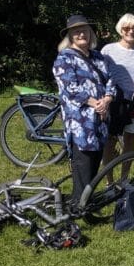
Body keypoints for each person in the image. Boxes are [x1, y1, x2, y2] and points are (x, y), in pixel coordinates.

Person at [53, 15, 117, 209]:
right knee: (83, 161)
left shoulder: (99, 57)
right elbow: (69, 87)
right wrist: (94, 103)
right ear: (70, 36)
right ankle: (78, 203)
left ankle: (86, 199)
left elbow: (111, 80)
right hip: (80, 120)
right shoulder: (64, 58)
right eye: (76, 31)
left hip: (101, 117)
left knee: (96, 157)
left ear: (91, 33)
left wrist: (106, 100)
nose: (81, 34)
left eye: (85, 30)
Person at [100, 13, 134, 170]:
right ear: (120, 30)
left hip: (133, 102)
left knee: (130, 140)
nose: (131, 31)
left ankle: (124, 179)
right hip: (112, 101)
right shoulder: (108, 50)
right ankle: (109, 180)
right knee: (110, 141)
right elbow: (99, 75)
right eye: (126, 28)